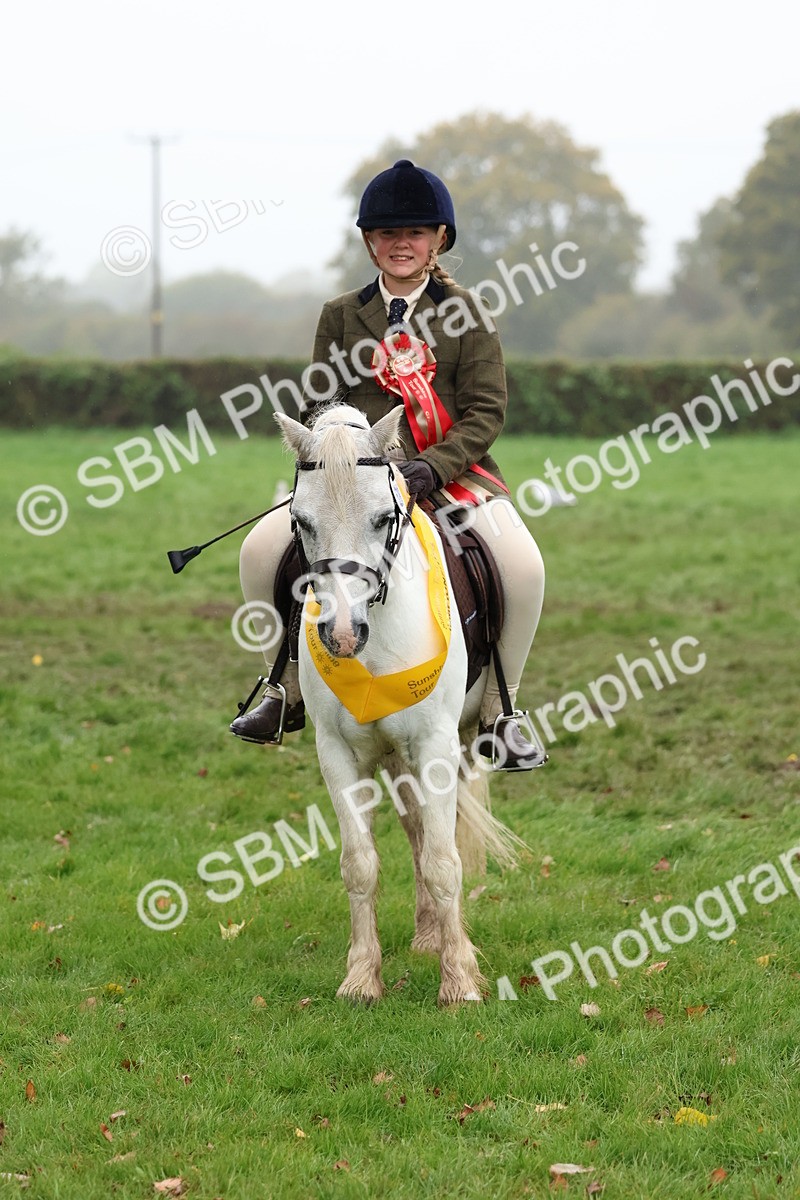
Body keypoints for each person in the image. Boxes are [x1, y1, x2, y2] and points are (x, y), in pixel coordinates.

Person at [230, 159, 546, 769]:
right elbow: (320, 401)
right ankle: (283, 685)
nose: (402, 244)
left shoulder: (470, 313)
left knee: (524, 566)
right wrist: (340, 445)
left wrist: (432, 467)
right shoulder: (341, 315)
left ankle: (502, 710)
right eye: (387, 234)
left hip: (450, 474)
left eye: (416, 233)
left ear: (439, 241)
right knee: (260, 549)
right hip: (356, 481)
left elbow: (485, 412)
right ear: (370, 242)